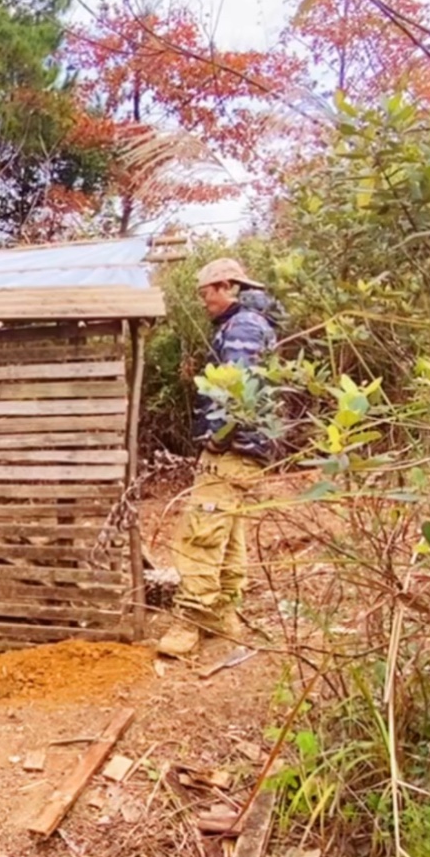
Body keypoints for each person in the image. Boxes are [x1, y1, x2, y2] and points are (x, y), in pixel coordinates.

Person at [158, 258, 282, 658]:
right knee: (228, 531)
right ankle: (223, 613)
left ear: (226, 286)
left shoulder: (243, 326)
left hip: (234, 448)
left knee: (202, 531)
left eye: (205, 292)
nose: (203, 301)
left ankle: (190, 621)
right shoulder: (251, 322)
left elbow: (238, 388)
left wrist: (218, 437)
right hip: (249, 450)